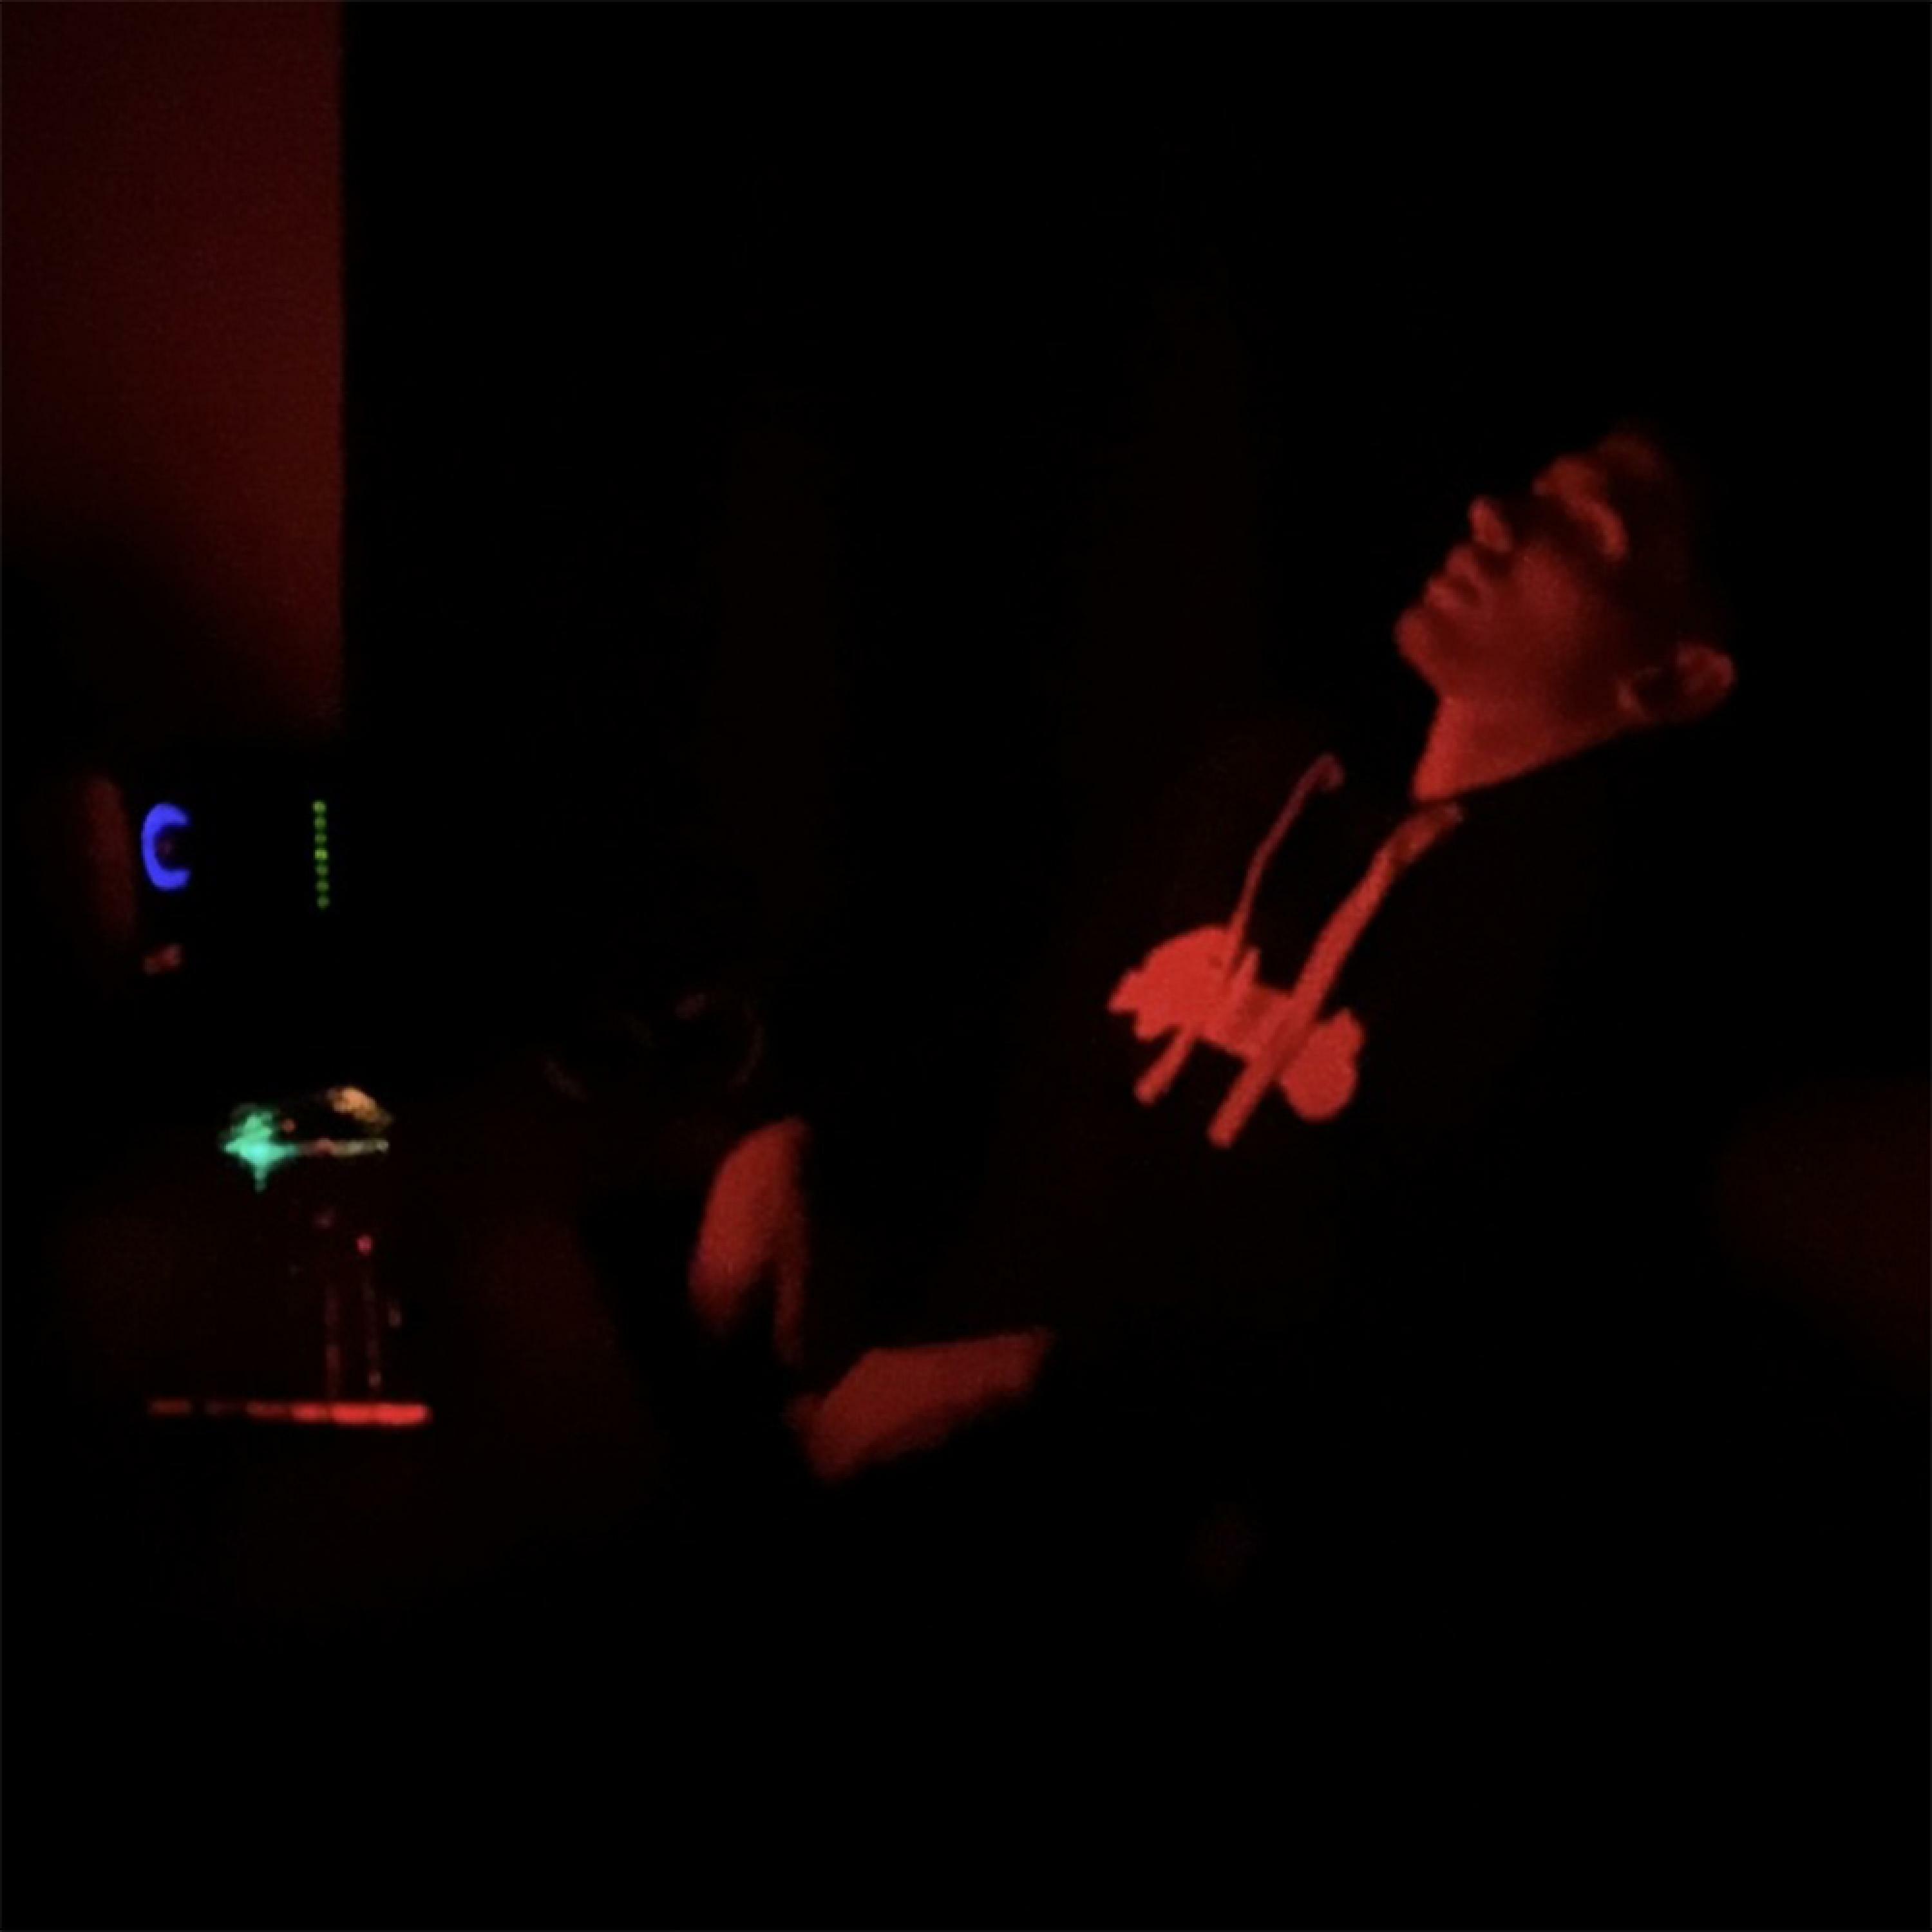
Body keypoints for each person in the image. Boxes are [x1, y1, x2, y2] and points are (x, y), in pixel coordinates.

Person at [680, 421, 1760, 1901]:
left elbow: (1448, 1362)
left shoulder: (1615, 973)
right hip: (889, 1418)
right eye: (1533, 484)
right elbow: (1038, 1030)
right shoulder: (1266, 778)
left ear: (1674, 679)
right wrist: (796, 1133)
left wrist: (1032, 1378)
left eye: (1589, 531)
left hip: (1141, 1584)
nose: (1496, 513)